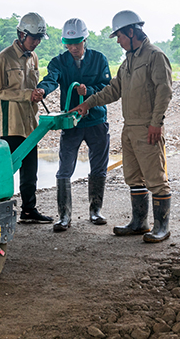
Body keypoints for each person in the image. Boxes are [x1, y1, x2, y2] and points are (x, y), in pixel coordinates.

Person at [71, 10, 173, 243]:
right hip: (130, 128)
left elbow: (164, 91)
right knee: (134, 177)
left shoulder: (155, 56)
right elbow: (113, 89)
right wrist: (88, 103)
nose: (117, 41)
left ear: (131, 31)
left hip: (148, 127)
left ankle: (161, 227)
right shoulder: (128, 61)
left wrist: (156, 123)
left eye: (119, 36)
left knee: (156, 178)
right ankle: (139, 223)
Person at [38, 18, 112, 232]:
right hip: (71, 122)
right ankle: (64, 216)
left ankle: (95, 211)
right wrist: (42, 90)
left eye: (76, 44)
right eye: (68, 44)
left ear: (85, 40)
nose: (72, 48)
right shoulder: (59, 62)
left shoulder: (99, 59)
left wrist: (88, 90)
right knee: (64, 168)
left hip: (96, 120)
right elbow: (52, 78)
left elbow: (107, 87)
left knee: (98, 166)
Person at [0, 12, 53, 223]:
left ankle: (29, 210)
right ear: (21, 34)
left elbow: (33, 86)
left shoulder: (33, 58)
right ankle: (1, 213)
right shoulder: (4, 58)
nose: (36, 43)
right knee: (8, 170)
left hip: (30, 123)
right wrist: (27, 95)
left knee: (30, 171)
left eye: (38, 39)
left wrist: (37, 94)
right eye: (33, 38)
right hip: (12, 124)